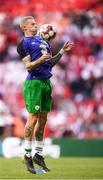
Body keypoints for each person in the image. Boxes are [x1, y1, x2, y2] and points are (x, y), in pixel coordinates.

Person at [17, 16, 74, 174]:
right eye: (33, 24)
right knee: (33, 118)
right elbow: (28, 66)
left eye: (35, 24)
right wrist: (40, 60)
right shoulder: (24, 44)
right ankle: (27, 155)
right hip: (34, 83)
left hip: (46, 82)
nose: (36, 26)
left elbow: (50, 64)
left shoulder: (44, 42)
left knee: (43, 120)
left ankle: (39, 154)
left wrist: (62, 51)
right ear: (25, 28)